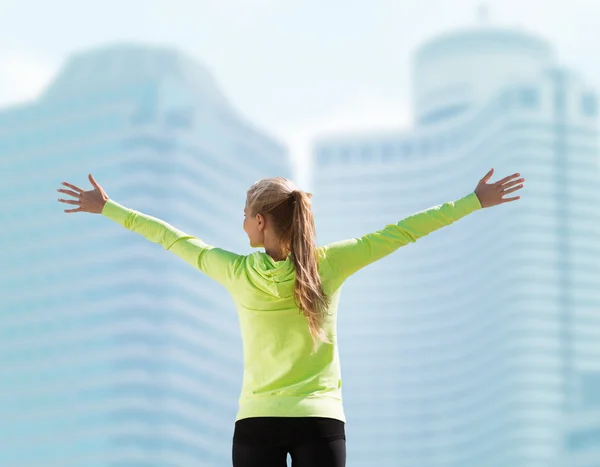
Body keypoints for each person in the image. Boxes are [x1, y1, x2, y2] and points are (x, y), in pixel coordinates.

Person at [57, 169, 525, 467]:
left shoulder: (236, 271)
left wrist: (108, 208)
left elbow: (170, 237)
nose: (240, 223)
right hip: (320, 423)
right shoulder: (330, 263)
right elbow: (401, 233)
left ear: (262, 221)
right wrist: (473, 201)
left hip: (257, 421)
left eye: (245, 214)